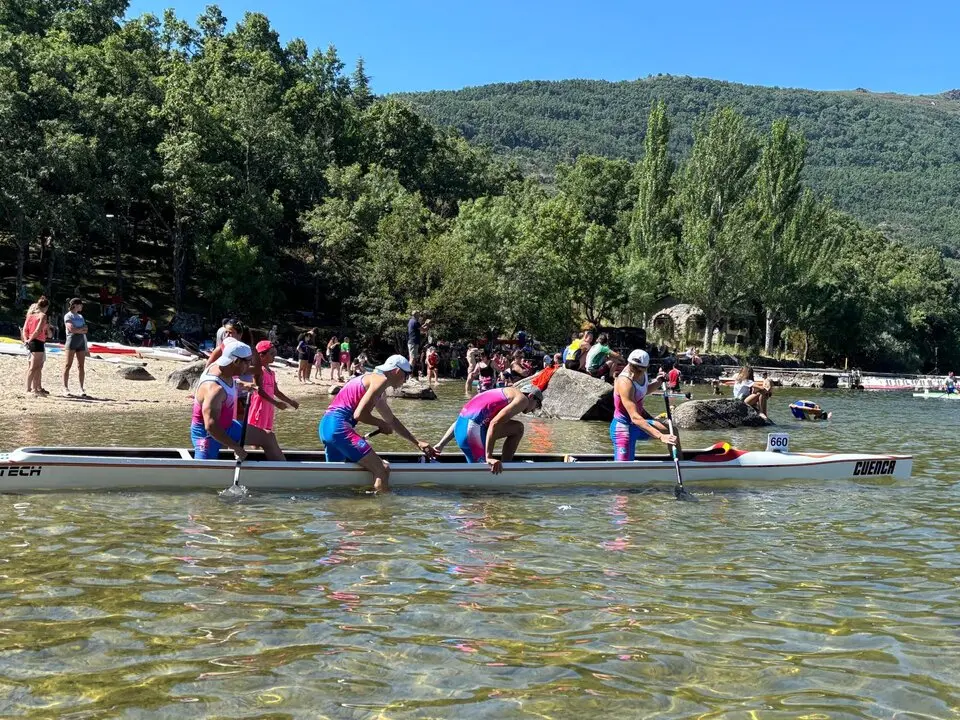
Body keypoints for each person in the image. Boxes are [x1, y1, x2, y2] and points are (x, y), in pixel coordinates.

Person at [318, 355, 436, 492]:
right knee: (382, 469)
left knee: (337, 478)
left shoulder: (372, 381)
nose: (405, 380)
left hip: (326, 427)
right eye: (406, 375)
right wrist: (381, 424)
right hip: (339, 429)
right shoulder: (380, 380)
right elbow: (359, 415)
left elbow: (391, 420)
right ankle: (382, 505)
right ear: (397, 371)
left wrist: (417, 442)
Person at [190, 339, 285, 461]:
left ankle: (285, 471)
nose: (250, 366)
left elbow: (228, 380)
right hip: (208, 434)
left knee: (268, 437)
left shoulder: (221, 367)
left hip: (228, 426)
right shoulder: (214, 390)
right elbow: (211, 426)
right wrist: (235, 447)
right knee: (203, 469)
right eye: (248, 362)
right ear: (236, 361)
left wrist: (242, 384)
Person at [433, 385, 544, 474]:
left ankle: (507, 465)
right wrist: (489, 457)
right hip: (471, 435)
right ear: (531, 396)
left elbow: (463, 419)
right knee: (480, 480)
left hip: (461, 429)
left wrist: (441, 445)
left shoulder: (505, 392)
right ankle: (500, 472)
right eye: (537, 405)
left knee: (518, 428)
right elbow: (494, 423)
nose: (533, 410)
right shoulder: (523, 400)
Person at [610, 349, 677, 460]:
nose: (634, 373)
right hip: (623, 429)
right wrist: (660, 436)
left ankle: (678, 460)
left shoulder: (643, 374)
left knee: (671, 431)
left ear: (646, 368)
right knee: (624, 468)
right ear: (629, 363)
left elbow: (643, 391)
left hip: (637, 425)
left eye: (639, 370)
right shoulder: (625, 382)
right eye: (632, 367)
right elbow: (635, 417)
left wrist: (658, 382)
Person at [249, 340, 300, 440]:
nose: (274, 356)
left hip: (269, 407)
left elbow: (276, 391)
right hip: (260, 407)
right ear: (261, 355)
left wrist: (290, 402)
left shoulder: (271, 372)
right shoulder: (259, 371)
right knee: (257, 435)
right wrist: (276, 403)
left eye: (275, 353)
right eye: (272, 354)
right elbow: (260, 391)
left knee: (267, 433)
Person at [22, 295, 51, 396]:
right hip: (37, 342)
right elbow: (38, 330)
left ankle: (35, 389)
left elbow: (25, 329)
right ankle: (28, 389)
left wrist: (26, 340)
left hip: (31, 341)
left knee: (36, 367)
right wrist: (30, 339)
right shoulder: (43, 316)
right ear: (46, 307)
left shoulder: (30, 315)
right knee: (34, 367)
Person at [62, 298, 89, 397]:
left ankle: (81, 388)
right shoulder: (68, 315)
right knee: (68, 365)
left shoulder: (80, 316)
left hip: (81, 341)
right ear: (75, 305)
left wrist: (79, 330)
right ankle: (65, 387)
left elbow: (86, 329)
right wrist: (80, 329)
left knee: (81, 366)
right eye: (80, 304)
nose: (82, 306)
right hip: (71, 341)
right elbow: (71, 329)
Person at [408, 311, 423, 380]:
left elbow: (420, 328)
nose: (419, 316)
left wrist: (425, 325)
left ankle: (411, 375)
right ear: (416, 315)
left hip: (412, 342)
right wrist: (428, 324)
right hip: (413, 342)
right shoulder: (415, 322)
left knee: (413, 359)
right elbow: (423, 330)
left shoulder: (411, 321)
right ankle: (410, 375)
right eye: (418, 314)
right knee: (412, 359)